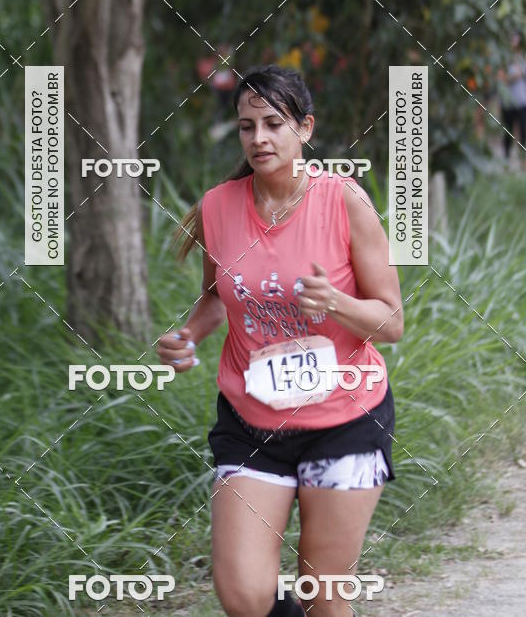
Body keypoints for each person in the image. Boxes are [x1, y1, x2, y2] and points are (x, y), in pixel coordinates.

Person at [158, 65, 403, 617]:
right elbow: (218, 295)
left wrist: (334, 301)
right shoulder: (219, 205)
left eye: (274, 124)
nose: (259, 139)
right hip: (252, 422)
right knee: (244, 594)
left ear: (305, 129)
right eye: (247, 127)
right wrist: (187, 335)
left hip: (345, 420)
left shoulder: (344, 202)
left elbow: (390, 322)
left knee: (323, 593)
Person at [497, 32, 526, 165]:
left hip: (521, 100)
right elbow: (501, 77)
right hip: (507, 102)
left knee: (523, 130)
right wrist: (515, 75)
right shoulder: (502, 58)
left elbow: (520, 74)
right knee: (507, 131)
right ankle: (506, 160)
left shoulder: (522, 57)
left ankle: (522, 159)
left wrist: (513, 76)